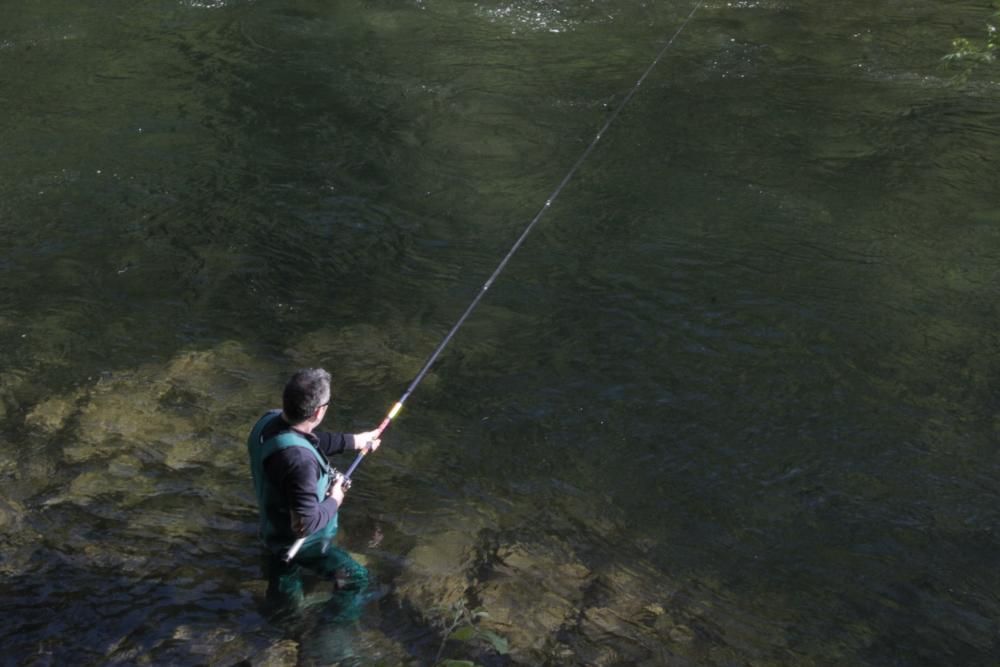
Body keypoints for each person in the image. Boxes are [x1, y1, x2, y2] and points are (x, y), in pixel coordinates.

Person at [247, 367, 381, 618]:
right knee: (357, 580)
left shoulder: (268, 422)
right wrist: (335, 497)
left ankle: (283, 622)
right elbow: (304, 524)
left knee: (284, 587)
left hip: (272, 531)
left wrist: (357, 441)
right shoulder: (300, 462)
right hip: (301, 543)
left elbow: (308, 439)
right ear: (319, 411)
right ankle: (331, 634)